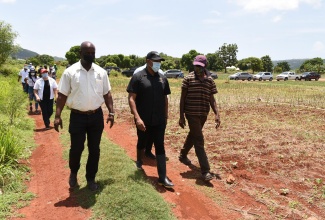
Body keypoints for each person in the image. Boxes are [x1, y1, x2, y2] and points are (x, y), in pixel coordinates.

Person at [54, 41, 115, 191]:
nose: (90, 55)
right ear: (80, 53)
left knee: (95, 149)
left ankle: (91, 178)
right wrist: (57, 115)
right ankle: (73, 173)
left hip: (96, 116)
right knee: (76, 148)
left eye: (93, 52)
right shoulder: (70, 72)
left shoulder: (101, 72)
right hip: (77, 117)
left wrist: (111, 112)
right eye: (87, 52)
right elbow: (61, 95)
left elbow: (107, 94)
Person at [127, 51, 174, 188]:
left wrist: (165, 116)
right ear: (148, 61)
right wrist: (137, 118)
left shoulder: (163, 78)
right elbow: (131, 98)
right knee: (142, 141)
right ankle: (139, 161)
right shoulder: (138, 77)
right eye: (155, 61)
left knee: (160, 145)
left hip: (159, 120)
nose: (158, 63)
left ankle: (162, 177)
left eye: (159, 61)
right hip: (143, 119)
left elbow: (165, 98)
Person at [178, 55, 221, 181]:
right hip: (191, 113)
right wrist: (181, 116)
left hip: (203, 114)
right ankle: (205, 171)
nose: (197, 68)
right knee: (199, 139)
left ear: (205, 66)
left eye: (200, 66)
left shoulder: (209, 80)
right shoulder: (188, 79)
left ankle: (183, 154)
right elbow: (182, 99)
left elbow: (211, 98)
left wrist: (217, 114)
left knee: (193, 134)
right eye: (195, 65)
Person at [133, 64, 165, 160]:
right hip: (143, 109)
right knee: (143, 134)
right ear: (148, 61)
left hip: (156, 109)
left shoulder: (161, 73)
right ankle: (140, 157)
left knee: (153, 134)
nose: (157, 64)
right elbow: (134, 93)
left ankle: (148, 151)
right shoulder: (138, 72)